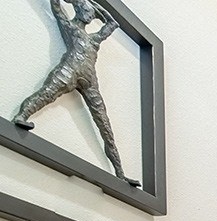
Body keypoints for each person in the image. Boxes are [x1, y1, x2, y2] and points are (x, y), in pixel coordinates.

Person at [14, 0, 140, 187]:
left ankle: (120, 172)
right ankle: (22, 116)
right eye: (87, 12)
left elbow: (113, 23)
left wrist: (95, 6)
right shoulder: (70, 28)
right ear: (78, 10)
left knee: (104, 124)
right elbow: (56, 7)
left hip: (90, 82)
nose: (90, 16)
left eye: (91, 14)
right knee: (46, 94)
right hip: (69, 71)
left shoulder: (95, 39)